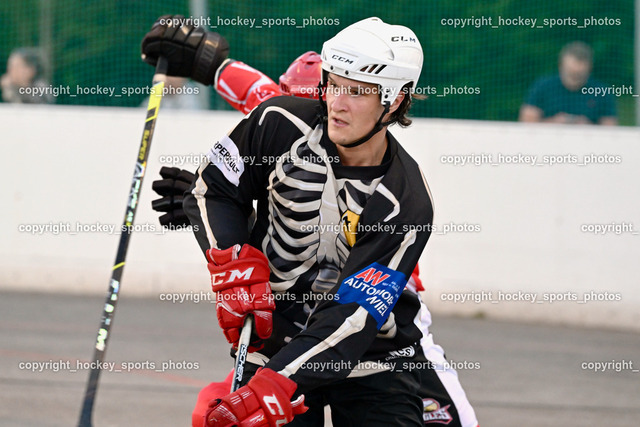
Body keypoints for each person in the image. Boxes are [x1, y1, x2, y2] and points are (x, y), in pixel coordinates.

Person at [143, 16, 478, 427]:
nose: (337, 104)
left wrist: (277, 383)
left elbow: (353, 316)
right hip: (276, 339)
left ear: (394, 101)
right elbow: (215, 187)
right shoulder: (284, 118)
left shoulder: (406, 201)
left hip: (371, 348)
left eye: (357, 91)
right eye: (332, 84)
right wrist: (231, 257)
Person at [519, 41, 617, 125]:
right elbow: (526, 123)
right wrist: (554, 123)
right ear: (561, 66)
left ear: (589, 68)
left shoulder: (600, 91)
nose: (575, 77)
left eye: (579, 74)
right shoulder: (543, 86)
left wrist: (587, 127)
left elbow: (610, 129)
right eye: (571, 73)